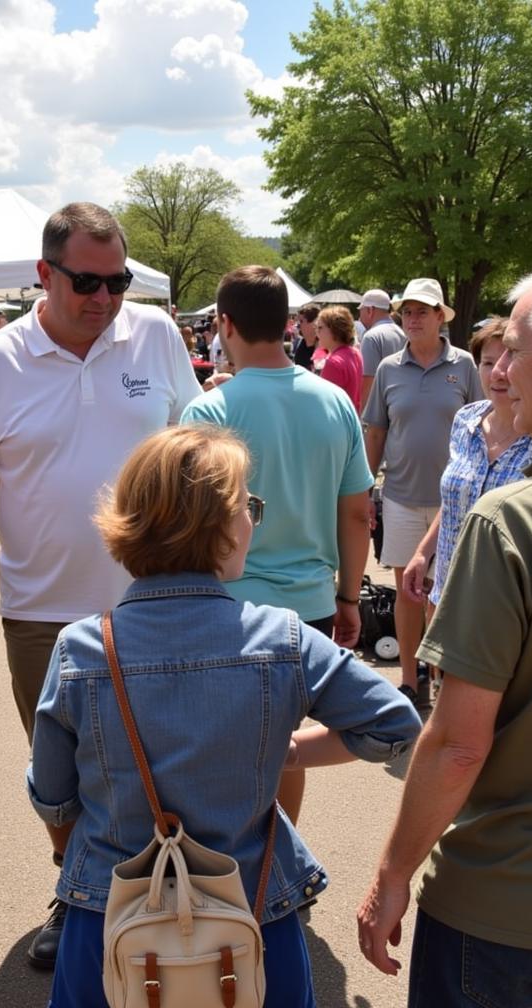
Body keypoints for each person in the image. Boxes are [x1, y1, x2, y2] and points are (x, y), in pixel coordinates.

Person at [29, 423, 422, 1008]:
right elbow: (395, 725)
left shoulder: (82, 650)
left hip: (110, 915)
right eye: (248, 507)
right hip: (251, 913)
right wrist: (290, 752)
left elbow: (54, 797)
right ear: (215, 524)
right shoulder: (282, 639)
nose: (251, 522)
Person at [0, 201, 201, 969]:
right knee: (60, 776)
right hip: (40, 609)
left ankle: (163, 894)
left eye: (117, 282)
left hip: (158, 603)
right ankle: (76, 889)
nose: (105, 298)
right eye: (87, 281)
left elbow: (198, 444)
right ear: (43, 274)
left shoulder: (153, 335)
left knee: (163, 761)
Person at [357, 257, 532, 1008]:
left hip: (505, 905)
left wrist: (393, 871)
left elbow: (458, 743)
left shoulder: (515, 520)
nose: (500, 370)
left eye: (517, 349)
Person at [181, 266, 373, 826]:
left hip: (225, 602)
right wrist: (350, 596)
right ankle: (278, 863)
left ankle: (225, 864)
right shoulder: (334, 402)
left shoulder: (210, 410)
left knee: (215, 738)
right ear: (288, 323)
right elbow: (357, 511)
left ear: (224, 324)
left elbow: (192, 521)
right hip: (308, 604)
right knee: (286, 742)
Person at [361, 278, 482, 704]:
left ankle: (442, 676)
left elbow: (485, 425)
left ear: (439, 317)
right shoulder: (390, 369)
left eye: (422, 311)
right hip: (400, 495)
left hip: (458, 501)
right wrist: (364, 487)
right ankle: (411, 681)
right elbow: (376, 432)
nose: (413, 319)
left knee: (446, 594)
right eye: (407, 311)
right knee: (408, 592)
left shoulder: (465, 365)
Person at [401, 317, 532, 613]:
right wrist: (422, 553)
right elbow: (456, 498)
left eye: (510, 361)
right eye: (488, 363)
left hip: (505, 605)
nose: (499, 373)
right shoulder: (465, 419)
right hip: (445, 593)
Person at [357, 288, 406, 409]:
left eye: (361, 310)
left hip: (379, 412)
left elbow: (368, 381)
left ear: (370, 310)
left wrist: (363, 418)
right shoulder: (402, 333)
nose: (359, 316)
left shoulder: (371, 337)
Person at [317, 304, 364, 411]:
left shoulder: (333, 362)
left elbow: (326, 404)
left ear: (335, 330)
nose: (317, 333)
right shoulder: (356, 353)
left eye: (320, 328)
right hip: (353, 419)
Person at [293, 303, 321, 370]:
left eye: (301, 321)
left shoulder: (323, 346)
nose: (298, 325)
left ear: (313, 323)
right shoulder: (300, 342)